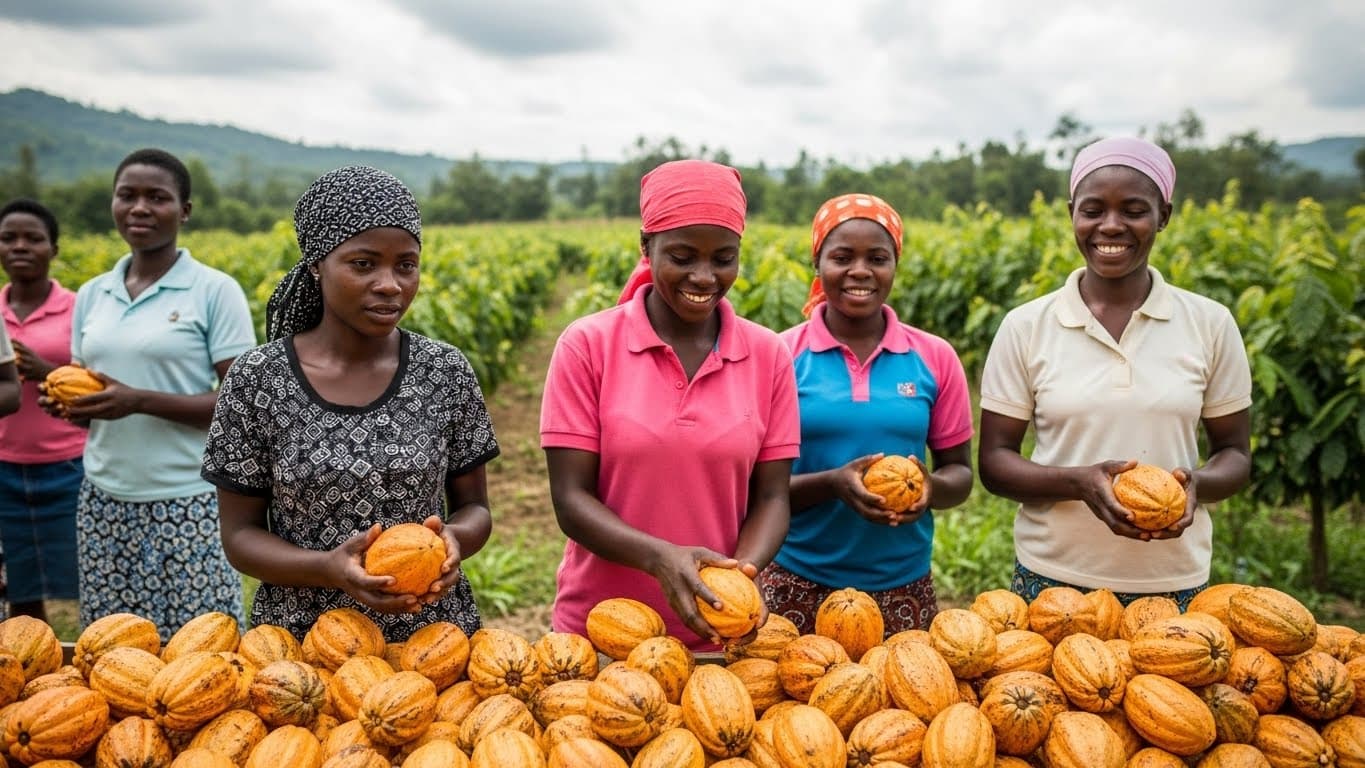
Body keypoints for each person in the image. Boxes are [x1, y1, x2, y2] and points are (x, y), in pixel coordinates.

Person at [202, 166, 498, 641]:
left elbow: (476, 509)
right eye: (363, 264)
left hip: (429, 636)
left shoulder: (444, 371)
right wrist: (328, 568)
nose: (390, 284)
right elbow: (240, 537)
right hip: (302, 643)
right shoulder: (259, 379)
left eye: (406, 264)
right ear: (317, 263)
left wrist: (451, 540)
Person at [977, 137, 1252, 609]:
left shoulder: (1210, 322)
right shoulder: (1026, 326)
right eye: (1093, 210)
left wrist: (1195, 486)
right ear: (1072, 214)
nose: (1110, 226)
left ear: (1163, 215)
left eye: (1133, 210)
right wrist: (1079, 483)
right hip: (1054, 580)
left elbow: (1235, 454)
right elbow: (995, 462)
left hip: (1174, 578)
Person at [540, 159, 800, 649]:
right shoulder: (587, 345)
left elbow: (772, 497)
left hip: (720, 631)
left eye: (723, 258)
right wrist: (661, 557)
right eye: (682, 256)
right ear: (646, 247)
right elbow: (571, 500)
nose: (704, 276)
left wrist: (738, 574)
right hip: (603, 632)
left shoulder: (769, 355)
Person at [44, 148, 255, 638]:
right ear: (113, 204)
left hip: (189, 499)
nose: (139, 208)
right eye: (127, 196)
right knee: (113, 652)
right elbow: (93, 390)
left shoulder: (212, 290)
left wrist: (137, 400)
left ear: (184, 211)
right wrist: (73, 407)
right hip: (103, 498)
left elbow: (242, 407)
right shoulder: (95, 293)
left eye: (157, 197)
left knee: (200, 658)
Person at [756, 194, 974, 635]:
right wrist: (833, 484)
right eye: (842, 257)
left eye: (877, 257)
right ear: (818, 263)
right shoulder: (778, 355)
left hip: (902, 583)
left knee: (906, 699)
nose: (860, 271)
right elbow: (755, 489)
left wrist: (928, 489)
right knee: (794, 700)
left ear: (895, 264)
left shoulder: (933, 356)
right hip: (796, 578)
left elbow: (960, 475)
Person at [0, 199, 85, 621]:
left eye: (33, 238)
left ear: (53, 248)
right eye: (8, 238)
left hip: (69, 464)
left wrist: (46, 370)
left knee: (82, 573)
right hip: (4, 466)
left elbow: (92, 378)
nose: (20, 246)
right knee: (18, 581)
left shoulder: (77, 308)